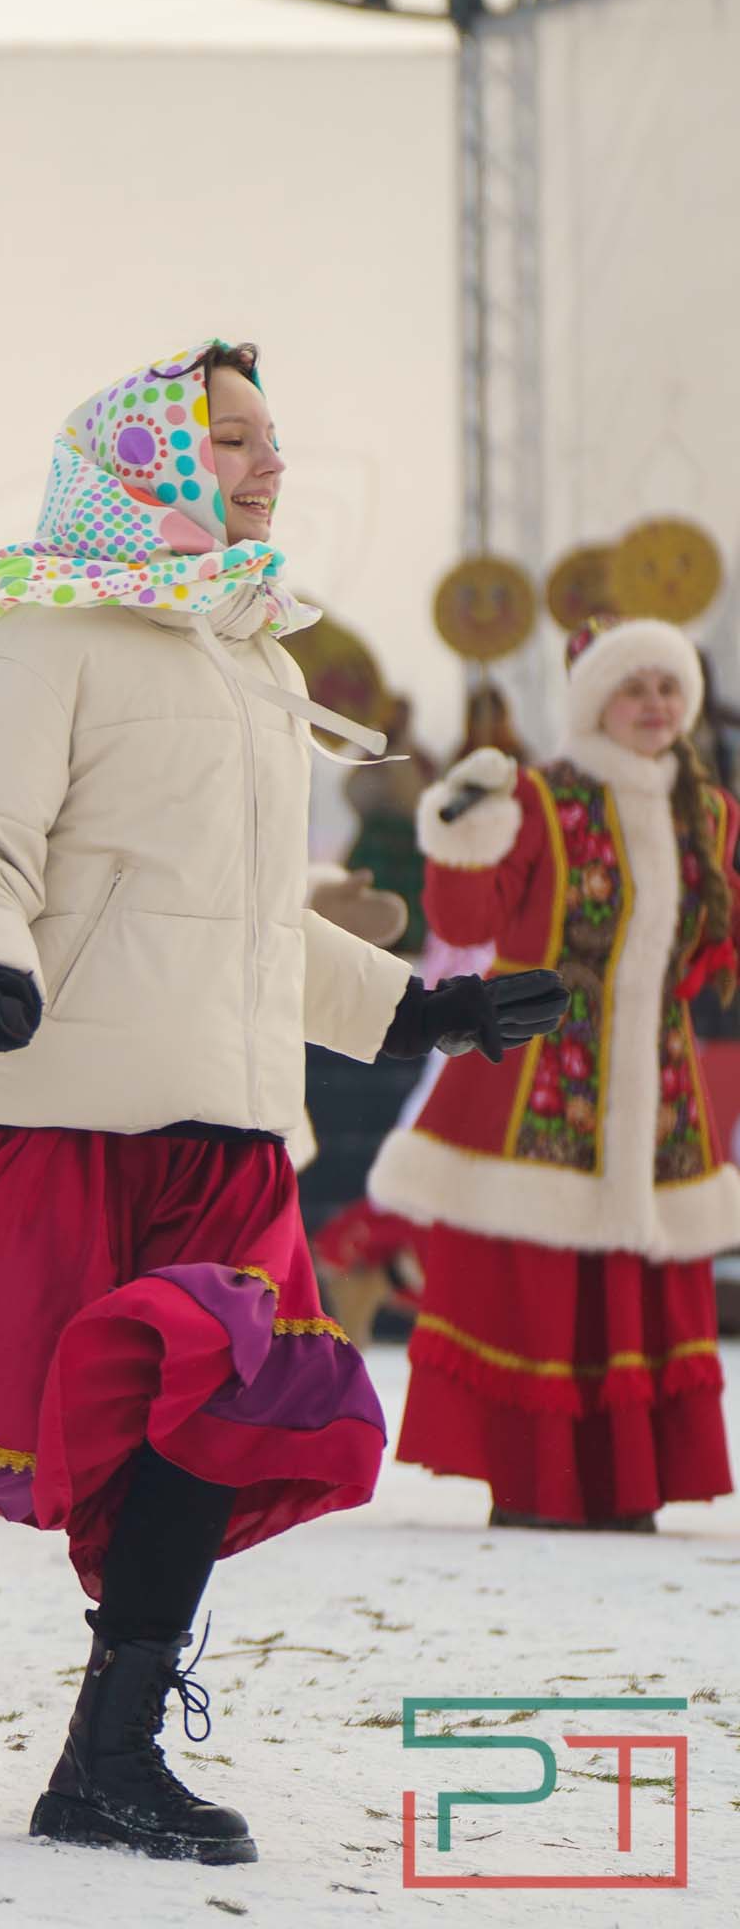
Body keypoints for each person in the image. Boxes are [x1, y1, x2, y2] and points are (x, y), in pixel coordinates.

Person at [0, 342, 566, 1866]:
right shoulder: (42, 632)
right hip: (66, 1094)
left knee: (208, 1417)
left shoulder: (257, 662)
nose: (270, 465)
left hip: (226, 1121)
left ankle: (109, 1755)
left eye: (270, 438)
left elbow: (249, 921)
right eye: (234, 440)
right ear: (151, 460)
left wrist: (419, 1009)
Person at [368, 616, 735, 1530]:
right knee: (540, 1276)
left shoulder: (709, 811)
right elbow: (468, 916)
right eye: (632, 687)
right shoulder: (537, 797)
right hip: (542, 1068)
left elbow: (705, 954)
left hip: (656, 1076)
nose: (654, 705)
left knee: (638, 1275)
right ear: (594, 700)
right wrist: (461, 828)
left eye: (667, 687)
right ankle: (538, 1484)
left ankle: (628, 1486)